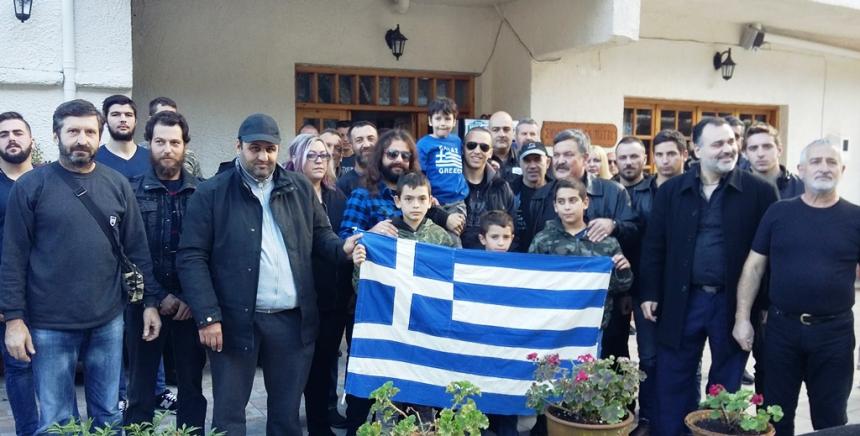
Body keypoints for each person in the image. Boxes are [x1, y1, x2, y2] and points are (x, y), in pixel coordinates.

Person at [177, 113, 361, 436]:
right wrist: (207, 316)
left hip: (292, 321)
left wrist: (342, 248)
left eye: (270, 149)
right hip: (234, 322)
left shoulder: (299, 188)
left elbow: (321, 236)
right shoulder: (211, 193)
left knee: (286, 418)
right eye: (255, 148)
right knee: (229, 419)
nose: (263, 156)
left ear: (278, 150)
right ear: (238, 146)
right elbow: (191, 257)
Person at [1, 99, 162, 434]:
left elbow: (137, 248)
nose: (81, 139)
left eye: (90, 132)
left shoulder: (117, 184)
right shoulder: (31, 186)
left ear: (99, 136)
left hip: (108, 320)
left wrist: (150, 302)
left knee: (109, 416)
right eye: (73, 131)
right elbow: (13, 257)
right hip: (49, 325)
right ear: (56, 135)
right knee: (58, 421)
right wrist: (14, 319)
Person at [638, 117, 778, 436]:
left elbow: (770, 255)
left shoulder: (759, 192)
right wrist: (650, 293)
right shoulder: (671, 191)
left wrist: (763, 305)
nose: (728, 149)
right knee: (673, 380)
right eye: (717, 144)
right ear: (697, 150)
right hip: (682, 301)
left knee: (725, 387)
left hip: (732, 304)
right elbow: (654, 245)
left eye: (730, 142)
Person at [733, 138, 860, 435]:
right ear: (801, 170)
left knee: (831, 419)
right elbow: (753, 267)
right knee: (774, 416)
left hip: (834, 335)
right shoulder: (779, 213)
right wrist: (742, 318)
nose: (824, 168)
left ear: (842, 170)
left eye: (831, 162)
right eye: (816, 161)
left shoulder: (856, 218)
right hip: (782, 331)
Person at [124, 111, 207, 433]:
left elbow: (211, 250)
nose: (167, 149)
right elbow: (127, 251)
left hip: (190, 306)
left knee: (191, 385)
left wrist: (188, 296)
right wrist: (156, 297)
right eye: (160, 142)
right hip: (145, 305)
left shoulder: (203, 193)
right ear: (149, 144)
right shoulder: (131, 191)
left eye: (175, 142)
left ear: (185, 145)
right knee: (140, 387)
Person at [614, 133, 685, 436]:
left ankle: (679, 416)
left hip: (673, 284)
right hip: (637, 286)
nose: (629, 162)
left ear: (645, 159)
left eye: (634, 156)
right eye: (623, 157)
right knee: (648, 356)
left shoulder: (661, 190)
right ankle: (647, 417)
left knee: (681, 356)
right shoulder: (616, 192)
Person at [284, 134, 353, 436]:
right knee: (297, 368)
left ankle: (320, 424)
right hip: (297, 297)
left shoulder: (337, 197)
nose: (319, 161)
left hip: (332, 296)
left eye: (323, 155)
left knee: (324, 365)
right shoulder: (285, 195)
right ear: (296, 158)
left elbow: (341, 242)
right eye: (311, 155)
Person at [0, 111, 38, 436]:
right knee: (19, 367)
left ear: (31, 140)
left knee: (59, 367)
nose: (11, 138)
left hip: (51, 293)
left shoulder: (49, 180)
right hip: (9, 295)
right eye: (3, 134)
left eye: (17, 132)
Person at [474, 210, 520, 435]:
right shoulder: (470, 267)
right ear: (482, 238)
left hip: (507, 350)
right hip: (478, 349)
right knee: (477, 410)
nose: (501, 243)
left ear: (512, 238)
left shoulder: (521, 269)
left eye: (505, 237)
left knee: (507, 411)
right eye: (495, 237)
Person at [460, 127, 516, 249]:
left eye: (484, 147)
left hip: (492, 258)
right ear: (463, 149)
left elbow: (512, 230)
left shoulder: (502, 187)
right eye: (471, 145)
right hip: (456, 256)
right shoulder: (449, 184)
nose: (477, 151)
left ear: (490, 153)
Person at [416, 97, 468, 214]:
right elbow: (419, 174)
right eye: (438, 119)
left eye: (447, 119)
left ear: (454, 122)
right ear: (430, 121)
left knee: (456, 225)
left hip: (457, 200)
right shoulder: (423, 144)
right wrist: (427, 195)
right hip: (434, 201)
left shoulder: (457, 141)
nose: (443, 123)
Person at [145, 97, 203, 178]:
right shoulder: (138, 153)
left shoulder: (190, 156)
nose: (167, 150)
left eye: (172, 115)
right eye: (162, 115)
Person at [743, 122, 804, 199]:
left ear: (779, 150)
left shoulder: (802, 187)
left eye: (767, 147)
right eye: (753, 148)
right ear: (745, 154)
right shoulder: (737, 188)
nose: (760, 154)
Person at [96, 95, 152, 178]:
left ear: (136, 121)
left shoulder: (151, 159)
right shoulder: (95, 160)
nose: (123, 119)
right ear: (106, 120)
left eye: (128, 115)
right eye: (115, 114)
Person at [510, 140, 551, 252]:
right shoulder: (509, 191)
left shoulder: (558, 192)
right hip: (516, 256)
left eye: (537, 159)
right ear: (519, 163)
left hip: (550, 257)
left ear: (547, 162)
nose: (532, 166)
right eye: (527, 160)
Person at [336, 121, 377, 197]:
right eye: (359, 140)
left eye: (371, 139)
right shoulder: (343, 184)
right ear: (351, 144)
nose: (366, 145)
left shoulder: (389, 179)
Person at [488, 111, 519, 180]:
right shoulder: (481, 161)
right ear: (488, 132)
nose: (502, 134)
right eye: (496, 130)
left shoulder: (523, 160)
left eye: (506, 129)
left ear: (513, 132)